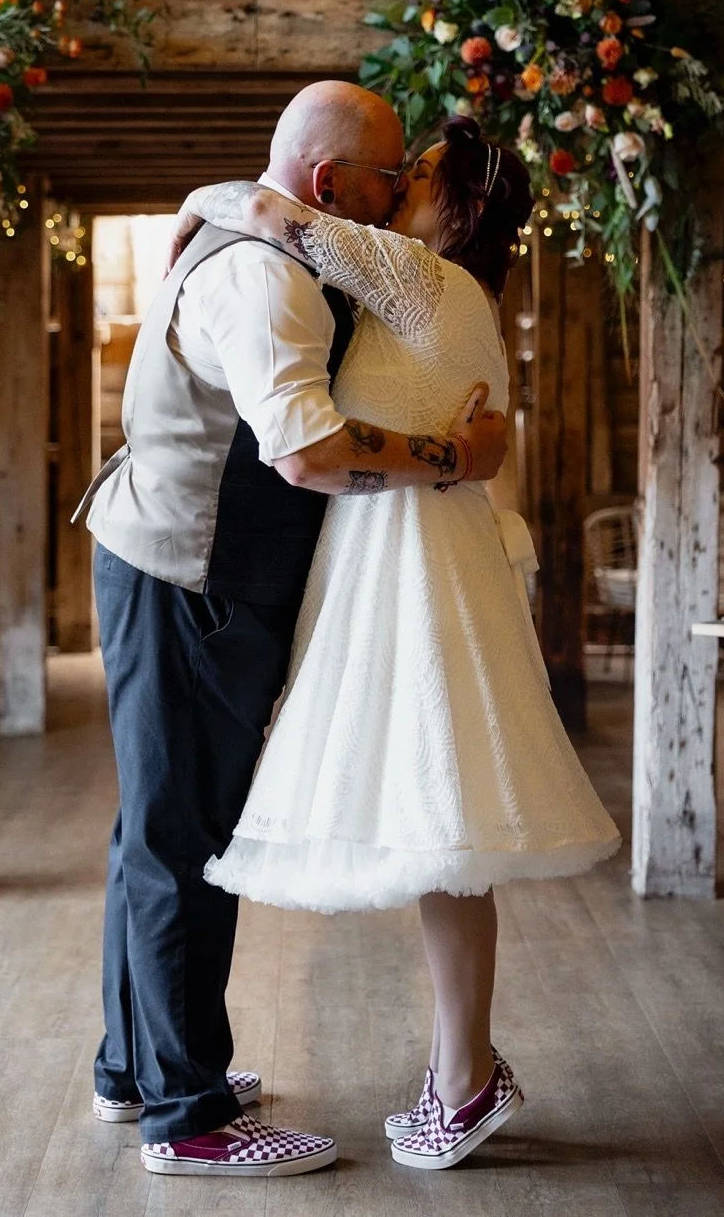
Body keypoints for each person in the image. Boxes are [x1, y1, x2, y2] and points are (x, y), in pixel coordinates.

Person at [172, 116, 622, 1171]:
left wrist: (197, 200)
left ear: (452, 210)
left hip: (412, 558)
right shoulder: (465, 302)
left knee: (443, 816)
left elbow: (279, 209)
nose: (393, 188)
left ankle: (465, 1079)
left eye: (415, 177)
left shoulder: (420, 277)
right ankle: (458, 1070)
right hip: (422, 545)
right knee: (441, 823)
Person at [77, 83, 510, 1178]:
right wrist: (455, 460)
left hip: (171, 559)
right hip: (190, 573)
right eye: (385, 171)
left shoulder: (265, 233)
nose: (398, 184)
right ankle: (191, 1116)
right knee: (184, 843)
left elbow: (247, 201)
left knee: (160, 828)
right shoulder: (272, 280)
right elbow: (306, 454)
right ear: (329, 185)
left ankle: (138, 1066)